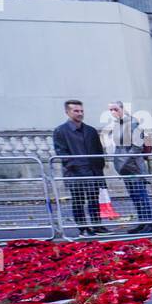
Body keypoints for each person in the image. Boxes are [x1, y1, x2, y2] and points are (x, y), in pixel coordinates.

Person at [52, 99, 108, 236]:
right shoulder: (60, 131)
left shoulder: (91, 131)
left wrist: (99, 171)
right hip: (75, 173)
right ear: (67, 112)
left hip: (93, 172)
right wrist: (77, 167)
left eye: (81, 111)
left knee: (94, 200)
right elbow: (62, 153)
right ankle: (83, 228)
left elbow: (99, 152)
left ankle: (97, 225)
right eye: (76, 111)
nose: (80, 113)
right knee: (78, 201)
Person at [105, 101, 152, 233]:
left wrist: (124, 161)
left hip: (134, 167)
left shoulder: (133, 123)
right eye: (110, 110)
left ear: (122, 109)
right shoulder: (118, 125)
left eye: (115, 109)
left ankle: (150, 225)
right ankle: (143, 223)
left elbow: (137, 147)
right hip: (125, 168)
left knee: (141, 196)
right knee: (135, 197)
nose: (113, 112)